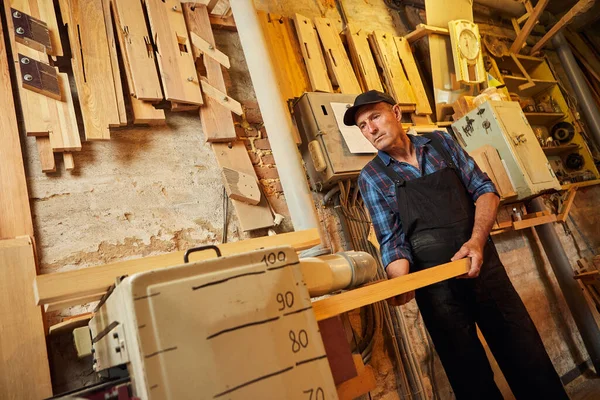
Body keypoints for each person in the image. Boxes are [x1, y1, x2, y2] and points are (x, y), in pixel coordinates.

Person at [345, 90, 568, 399]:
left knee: (527, 356)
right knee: (470, 378)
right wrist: (399, 280)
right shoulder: (372, 176)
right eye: (362, 126)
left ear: (396, 113)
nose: (370, 129)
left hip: (484, 267)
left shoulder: (441, 143)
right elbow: (392, 239)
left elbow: (485, 190)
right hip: (437, 290)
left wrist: (477, 242)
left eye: (375, 117)